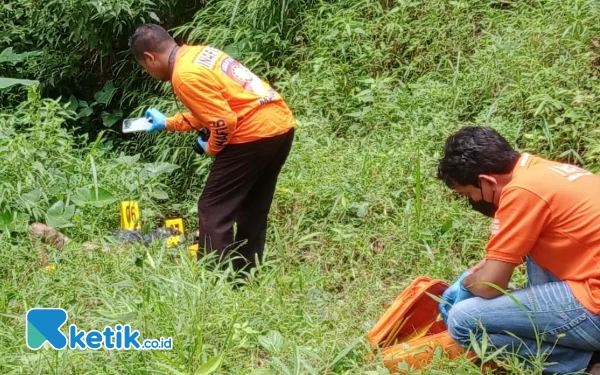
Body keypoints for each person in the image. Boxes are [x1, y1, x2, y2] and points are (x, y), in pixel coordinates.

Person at [128, 24, 296, 272]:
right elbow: (213, 110)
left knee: (212, 207)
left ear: (150, 58)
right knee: (253, 205)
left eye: (145, 68)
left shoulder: (183, 76)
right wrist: (168, 123)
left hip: (252, 134)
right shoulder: (200, 54)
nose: (149, 72)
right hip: (279, 125)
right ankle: (246, 273)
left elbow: (223, 121)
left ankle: (215, 280)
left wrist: (211, 148)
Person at [436, 126, 600, 374]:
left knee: (462, 320)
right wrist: (484, 272)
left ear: (487, 181)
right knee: (532, 248)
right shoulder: (542, 171)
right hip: (590, 282)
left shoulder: (521, 191)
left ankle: (583, 364)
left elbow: (488, 286)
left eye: (468, 194)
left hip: (595, 305)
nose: (472, 202)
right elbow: (502, 258)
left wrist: (466, 283)